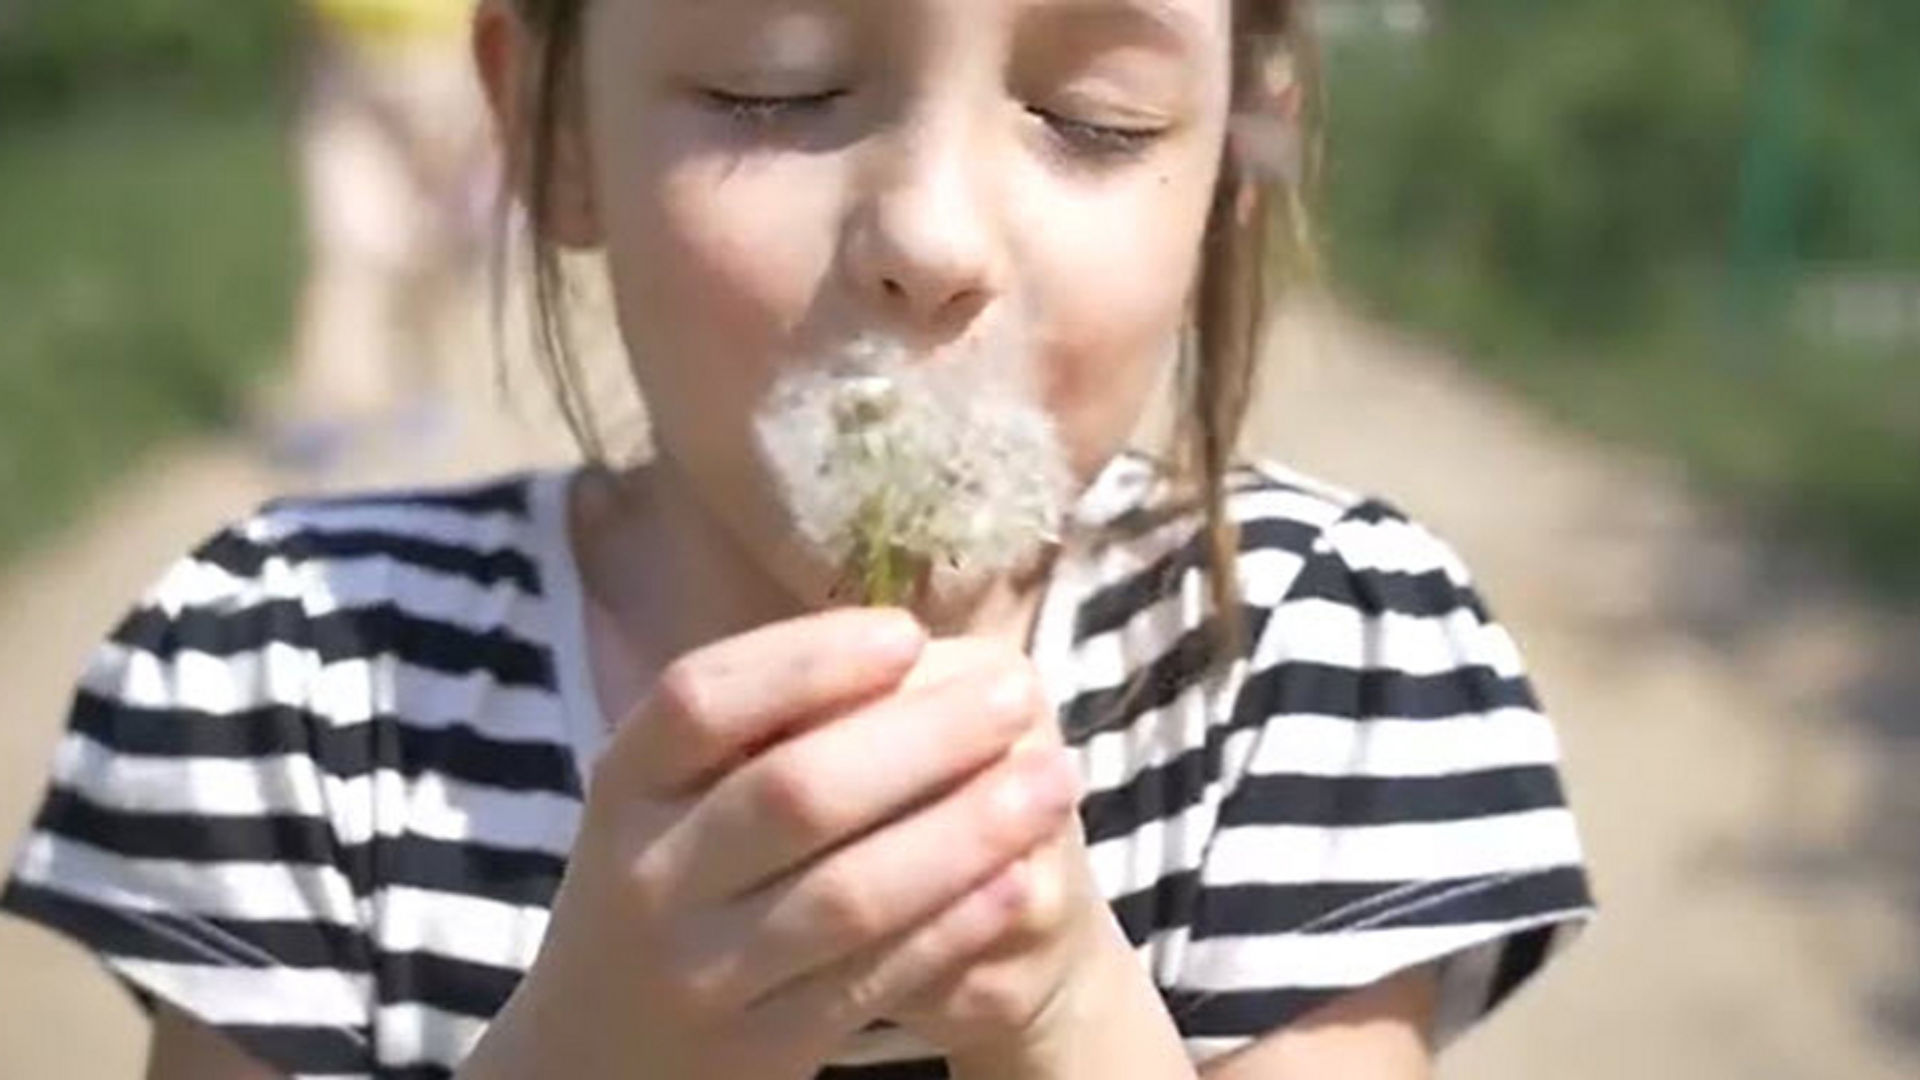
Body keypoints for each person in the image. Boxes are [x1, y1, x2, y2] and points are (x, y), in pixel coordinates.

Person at [2, 1, 1595, 1077]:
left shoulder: (1328, 666)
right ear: (549, 127)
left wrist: (1064, 1015)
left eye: (1097, 118)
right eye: (773, 82)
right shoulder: (280, 681)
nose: (932, 235)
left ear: (1236, 151)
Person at [269, 0, 494, 471]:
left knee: (432, 250)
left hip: (444, 63)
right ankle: (328, 406)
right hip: (343, 57)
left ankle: (429, 384)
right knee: (345, 248)